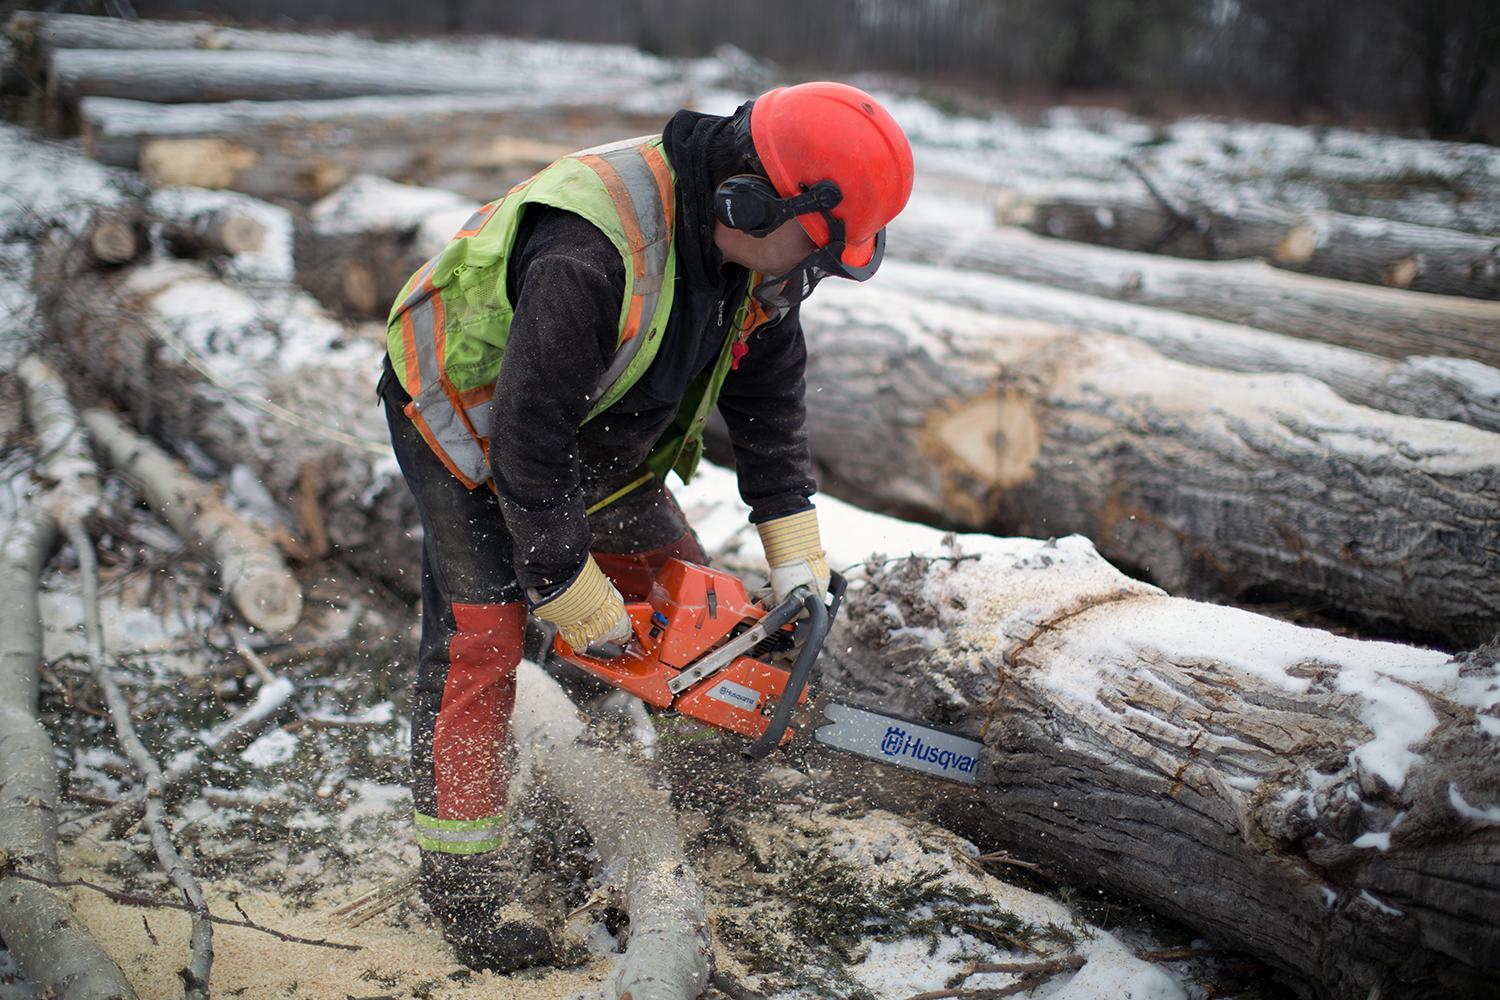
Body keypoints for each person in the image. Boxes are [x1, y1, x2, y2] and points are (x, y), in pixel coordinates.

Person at [378, 80, 914, 972]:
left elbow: (769, 399)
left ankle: (648, 772)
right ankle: (464, 891)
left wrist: (795, 544)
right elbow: (527, 440)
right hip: (467, 417)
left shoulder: (757, 258)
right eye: (813, 253)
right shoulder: (592, 252)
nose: (808, 277)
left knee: (686, 593)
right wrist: (559, 577)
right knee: (483, 636)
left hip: (593, 418)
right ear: (748, 200)